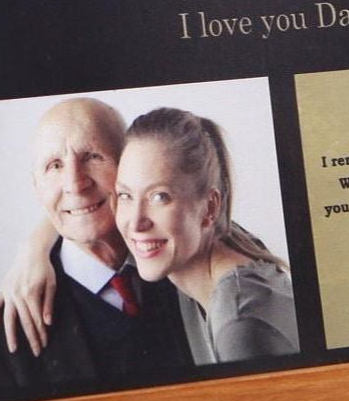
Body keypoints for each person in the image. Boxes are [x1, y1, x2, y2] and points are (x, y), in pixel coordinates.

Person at [0, 96, 192, 398]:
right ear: (36, 187)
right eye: (54, 166)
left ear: (128, 167)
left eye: (92, 157)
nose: (75, 184)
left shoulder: (189, 261)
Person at [112, 106, 300, 364]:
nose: (135, 222)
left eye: (159, 197)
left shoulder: (240, 327)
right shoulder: (224, 238)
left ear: (210, 207)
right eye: (125, 195)